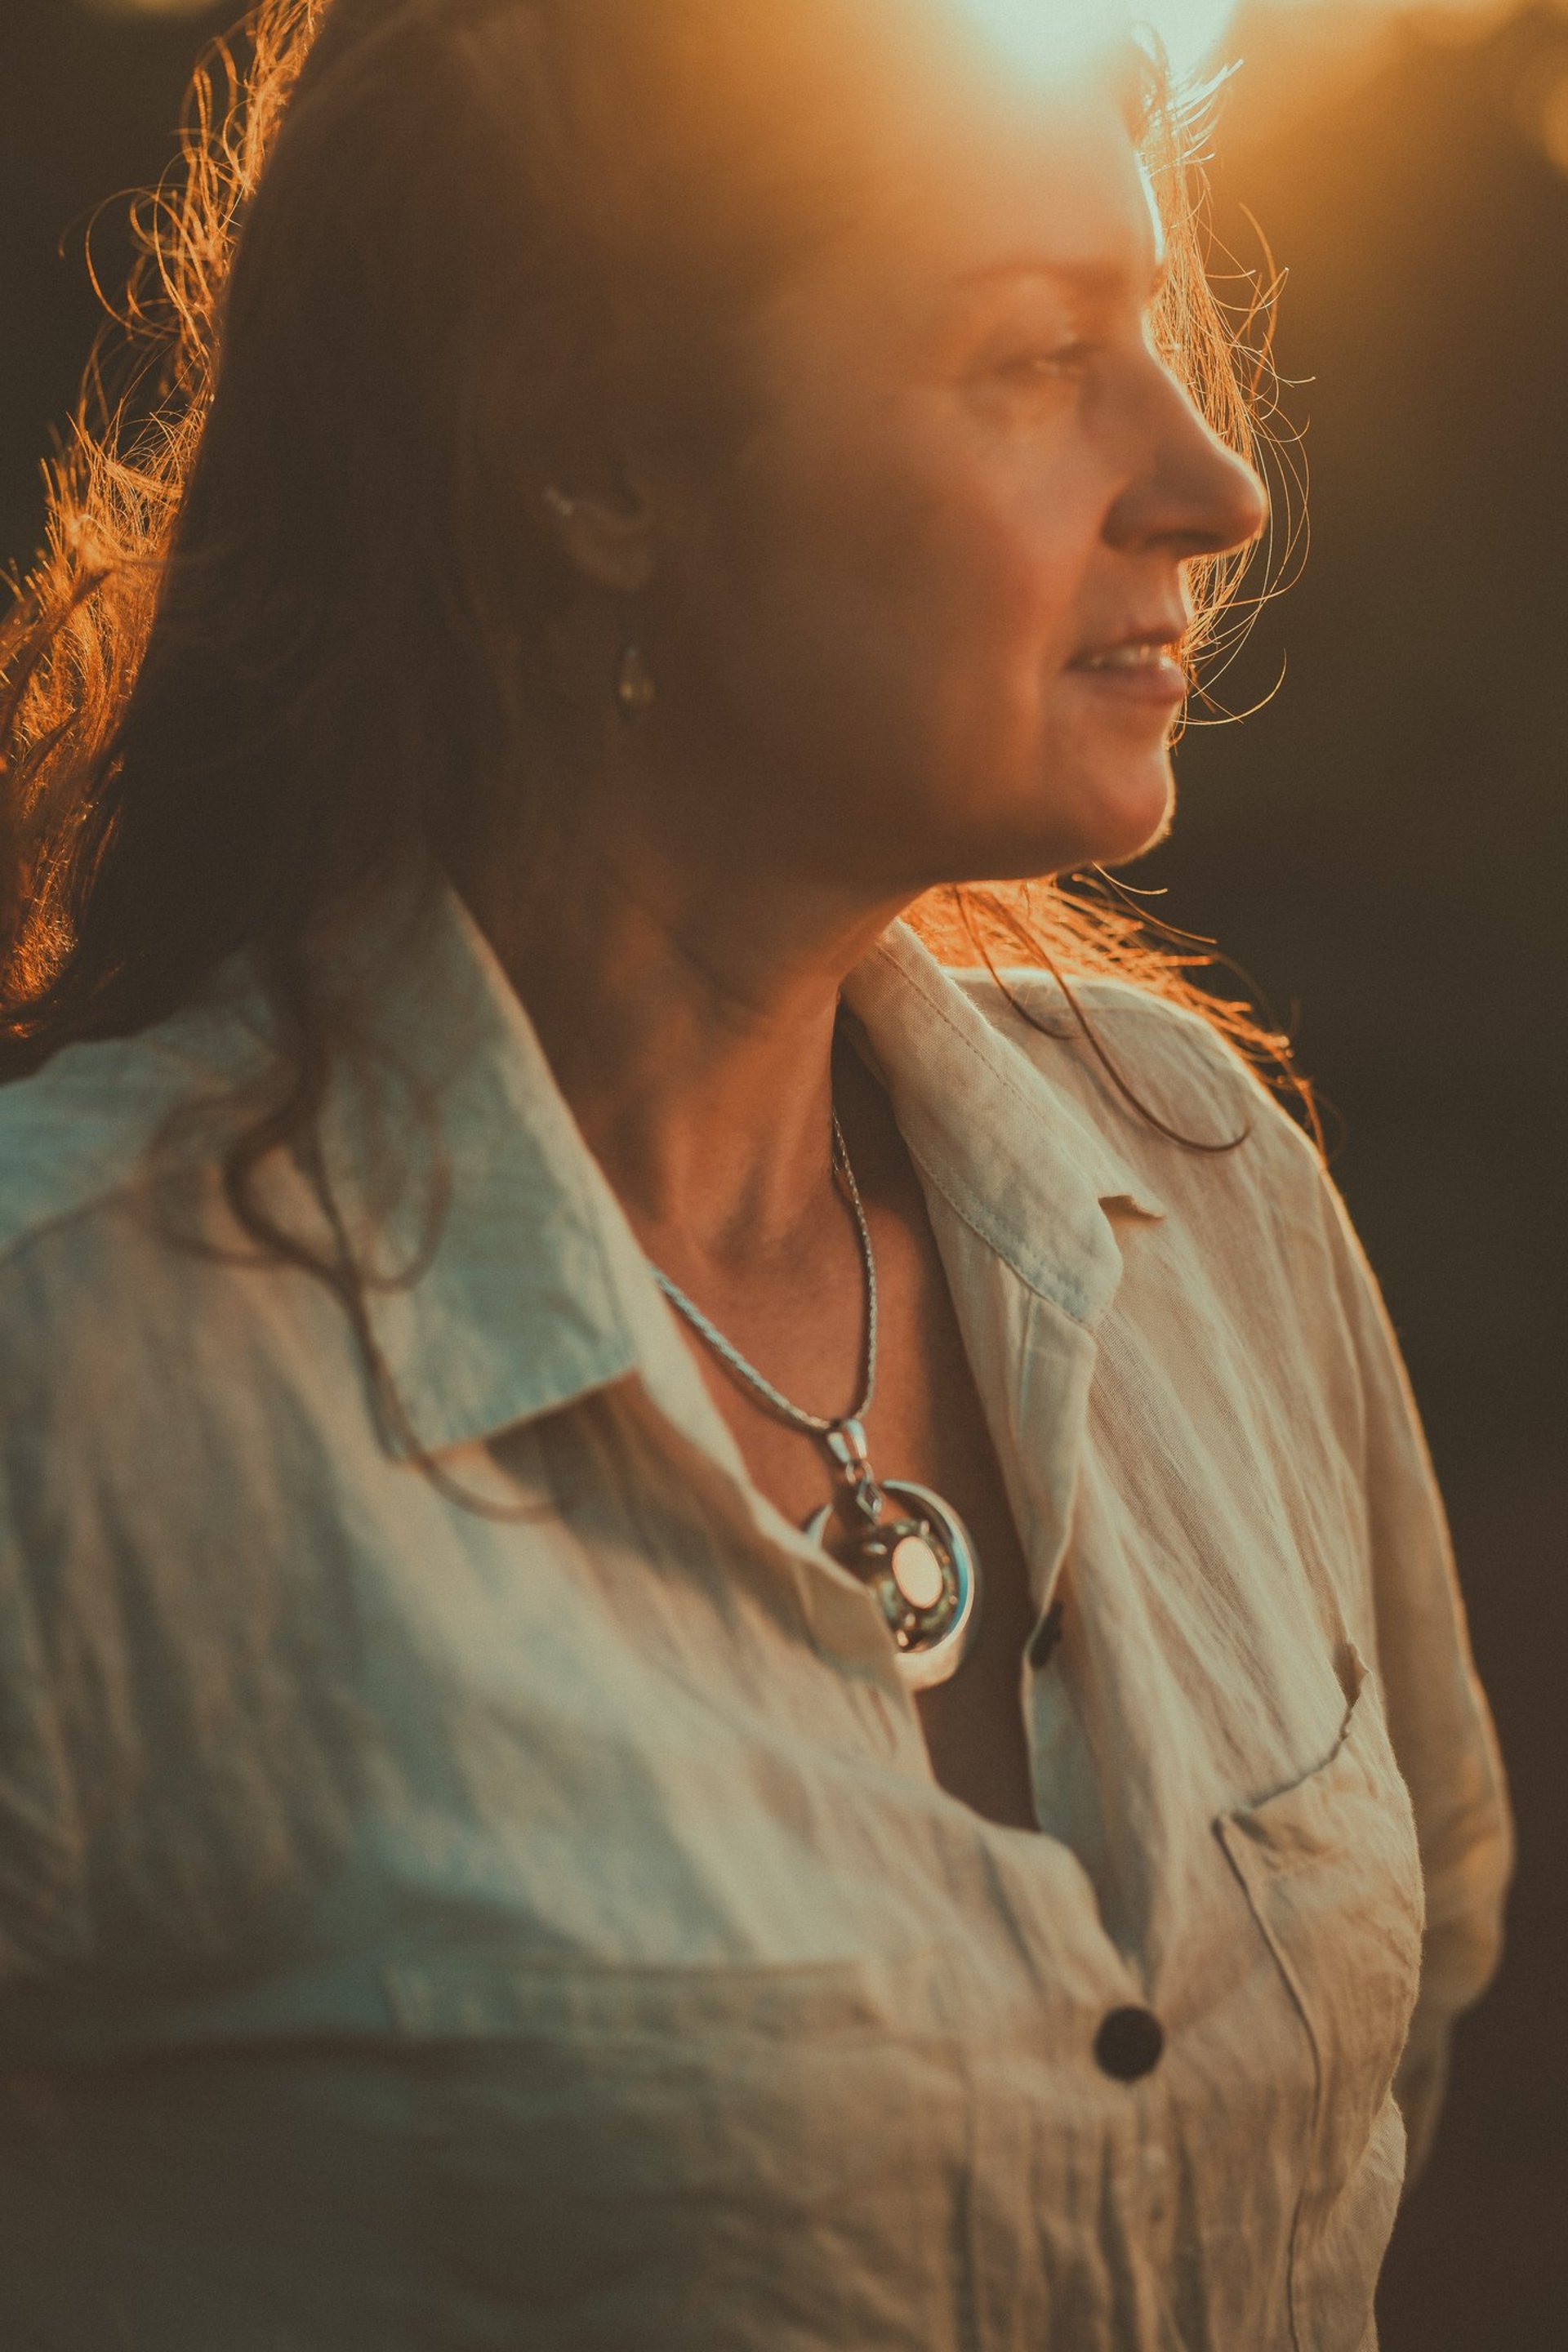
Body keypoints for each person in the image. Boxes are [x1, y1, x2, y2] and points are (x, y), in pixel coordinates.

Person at [0, 1, 1512, 2345]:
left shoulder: (1208, 1195)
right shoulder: (74, 1356)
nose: (1213, 482)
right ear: (602, 459)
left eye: (1163, 337)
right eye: (1036, 360)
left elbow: (1391, 2046)